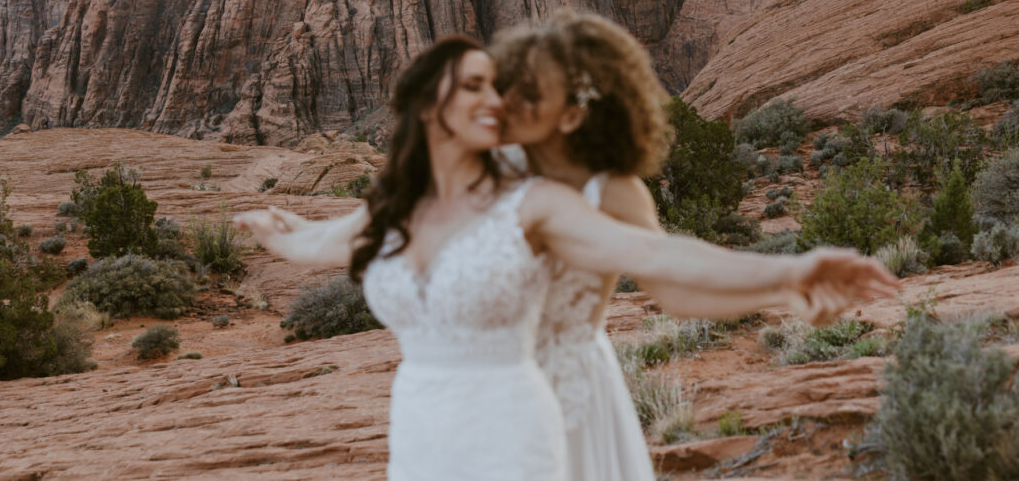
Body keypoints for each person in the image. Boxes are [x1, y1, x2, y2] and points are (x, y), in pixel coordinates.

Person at [235, 34, 898, 481]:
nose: (500, 103)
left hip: (522, 403)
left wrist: (788, 273)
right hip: (421, 420)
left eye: (511, 91)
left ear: (576, 115)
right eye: (482, 87)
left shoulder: (546, 201)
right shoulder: (400, 201)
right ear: (426, 102)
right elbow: (337, 239)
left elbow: (653, 255)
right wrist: (283, 233)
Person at [491, 10, 800, 481]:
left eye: (530, 92)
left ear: (573, 113)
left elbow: (671, 282)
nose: (507, 101)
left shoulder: (614, 191)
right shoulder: (488, 171)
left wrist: (787, 286)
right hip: (480, 388)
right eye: (507, 84)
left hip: (567, 392)